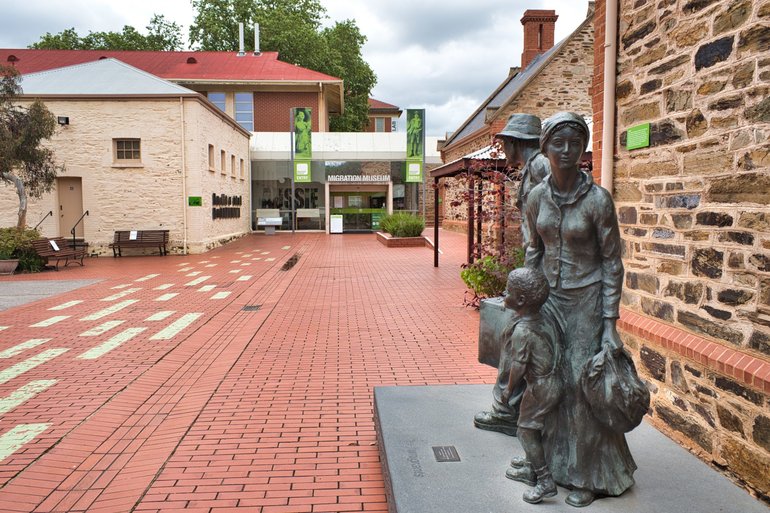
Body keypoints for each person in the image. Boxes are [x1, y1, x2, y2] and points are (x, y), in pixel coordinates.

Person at [520, 111, 635, 507]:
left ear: (583, 148)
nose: (567, 151)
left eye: (575, 143)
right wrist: (525, 303)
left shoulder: (598, 201)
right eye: (559, 144)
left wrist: (609, 323)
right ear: (545, 148)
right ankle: (547, 462)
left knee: (582, 386)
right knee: (546, 382)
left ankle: (588, 475)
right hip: (548, 301)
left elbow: (612, 263)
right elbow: (533, 252)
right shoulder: (537, 197)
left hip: (587, 301)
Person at [473, 113, 550, 437]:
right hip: (537, 268)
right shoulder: (533, 169)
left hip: (542, 271)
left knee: (514, 336)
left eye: (506, 142)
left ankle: (507, 410)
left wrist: (531, 274)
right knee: (515, 338)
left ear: (518, 143)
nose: (503, 147)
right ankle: (513, 408)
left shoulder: (541, 168)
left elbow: (544, 227)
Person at [501, 267, 561, 505]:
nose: (504, 293)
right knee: (536, 427)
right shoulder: (543, 320)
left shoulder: (522, 331)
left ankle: (545, 481)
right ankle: (530, 463)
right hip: (554, 382)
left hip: (540, 388)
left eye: (508, 291)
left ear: (521, 300)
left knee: (524, 430)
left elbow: (518, 365)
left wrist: (508, 389)